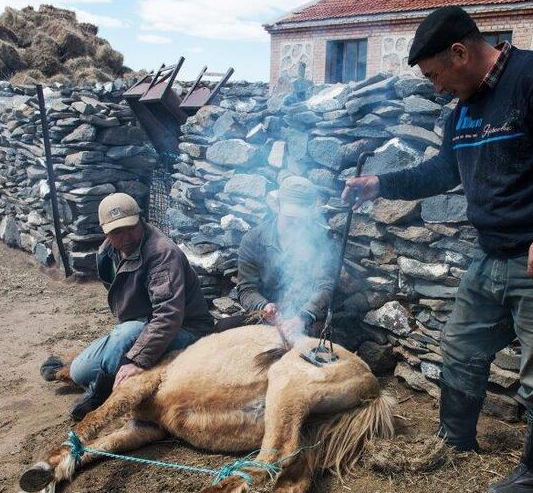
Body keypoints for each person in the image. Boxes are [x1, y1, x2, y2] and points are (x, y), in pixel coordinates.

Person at [342, 6, 533, 493]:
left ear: (460, 52)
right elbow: (445, 169)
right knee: (461, 347)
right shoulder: (463, 108)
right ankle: (455, 438)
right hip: (493, 254)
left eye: (435, 74)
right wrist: (382, 183)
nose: (436, 87)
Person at [41, 193, 214, 421]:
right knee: (80, 372)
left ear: (140, 220)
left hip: (186, 328)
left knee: (126, 334)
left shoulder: (162, 254)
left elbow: (168, 315)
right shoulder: (108, 251)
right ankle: (75, 368)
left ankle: (101, 395)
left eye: (130, 228)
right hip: (141, 324)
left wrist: (136, 360)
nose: (125, 237)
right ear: (106, 231)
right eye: (116, 232)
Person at [219, 176, 334, 340]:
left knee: (320, 341)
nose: (295, 223)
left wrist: (302, 317)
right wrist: (264, 307)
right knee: (223, 329)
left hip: (304, 317)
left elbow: (325, 287)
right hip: (268, 316)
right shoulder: (253, 239)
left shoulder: (321, 241)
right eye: (290, 217)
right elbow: (247, 289)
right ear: (278, 206)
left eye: (300, 218)